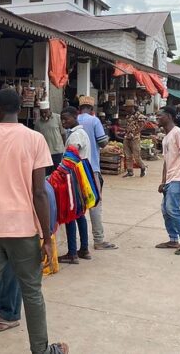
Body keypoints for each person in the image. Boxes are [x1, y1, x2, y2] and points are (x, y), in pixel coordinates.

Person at [0, 88, 68, 354]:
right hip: (23, 229)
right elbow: (39, 192)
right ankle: (42, 350)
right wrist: (46, 235)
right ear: (19, 110)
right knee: (32, 292)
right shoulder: (34, 139)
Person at [77, 96, 118, 251]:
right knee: (95, 205)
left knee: (78, 205)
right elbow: (102, 142)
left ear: (80, 108)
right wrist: (106, 138)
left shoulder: (72, 120)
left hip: (75, 168)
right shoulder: (94, 121)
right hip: (91, 168)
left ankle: (79, 244)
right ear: (92, 109)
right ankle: (99, 240)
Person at [155, 106, 180, 255]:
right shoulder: (166, 137)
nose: (158, 118)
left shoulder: (178, 133)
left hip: (179, 177)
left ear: (169, 116)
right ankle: (173, 239)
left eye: (160, 116)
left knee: (173, 208)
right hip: (170, 178)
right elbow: (166, 161)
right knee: (166, 210)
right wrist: (163, 181)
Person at [58, 106, 91, 264]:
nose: (64, 121)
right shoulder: (80, 133)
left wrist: (57, 176)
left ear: (75, 116)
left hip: (72, 179)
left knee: (69, 214)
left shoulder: (75, 136)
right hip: (81, 178)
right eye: (62, 119)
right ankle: (84, 248)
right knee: (79, 214)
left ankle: (72, 253)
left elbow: (70, 158)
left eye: (66, 118)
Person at [34, 101, 67, 172]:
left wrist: (65, 148)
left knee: (58, 173)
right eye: (42, 112)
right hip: (45, 153)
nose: (43, 114)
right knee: (47, 175)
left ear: (49, 109)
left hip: (58, 152)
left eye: (45, 112)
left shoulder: (58, 118)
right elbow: (36, 139)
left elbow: (63, 134)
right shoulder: (38, 122)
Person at [121, 100, 147, 178]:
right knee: (128, 155)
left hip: (135, 138)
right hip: (127, 137)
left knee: (136, 156)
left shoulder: (139, 115)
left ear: (131, 107)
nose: (126, 109)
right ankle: (130, 171)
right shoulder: (128, 116)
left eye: (127, 107)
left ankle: (143, 167)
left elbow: (142, 126)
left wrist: (134, 133)